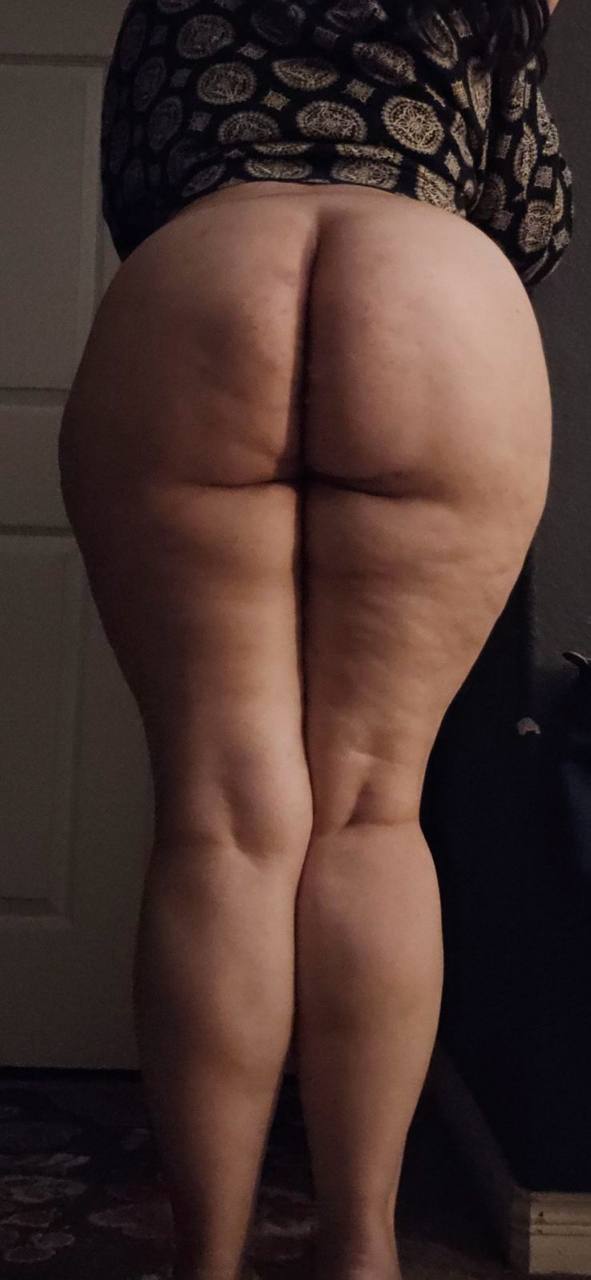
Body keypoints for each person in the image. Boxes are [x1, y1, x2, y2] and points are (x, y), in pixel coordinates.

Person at [57, 1, 573, 1277]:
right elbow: (534, 216)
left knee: (220, 821)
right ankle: (362, 1251)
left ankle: (208, 1261)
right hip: (435, 300)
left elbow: (137, 178)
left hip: (207, 283)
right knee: (372, 814)